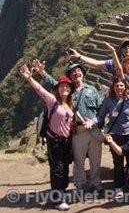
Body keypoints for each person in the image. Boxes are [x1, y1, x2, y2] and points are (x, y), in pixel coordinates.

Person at [34, 59, 103, 192]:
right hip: (77, 130)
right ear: (70, 76)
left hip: (93, 129)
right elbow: (55, 83)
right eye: (73, 72)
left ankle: (96, 182)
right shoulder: (69, 91)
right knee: (78, 159)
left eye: (78, 70)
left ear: (83, 73)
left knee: (95, 159)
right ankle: (80, 184)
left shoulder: (92, 90)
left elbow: (100, 110)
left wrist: (94, 122)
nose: (76, 73)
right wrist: (42, 73)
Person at [20, 64, 74, 211]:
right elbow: (40, 90)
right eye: (62, 87)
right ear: (57, 89)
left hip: (66, 142)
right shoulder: (52, 101)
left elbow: (70, 123)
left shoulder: (70, 105)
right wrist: (30, 78)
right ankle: (57, 200)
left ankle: (60, 192)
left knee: (64, 169)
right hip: (54, 141)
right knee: (57, 169)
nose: (65, 89)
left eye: (67, 87)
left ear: (70, 90)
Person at [67, 40, 129, 111]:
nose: (127, 49)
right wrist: (79, 56)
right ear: (122, 51)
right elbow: (96, 63)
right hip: (122, 102)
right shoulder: (114, 63)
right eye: (124, 47)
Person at [97, 77, 129, 198]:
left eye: (121, 86)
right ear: (113, 88)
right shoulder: (108, 101)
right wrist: (96, 127)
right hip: (115, 136)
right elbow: (101, 116)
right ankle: (118, 186)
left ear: (125, 88)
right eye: (117, 86)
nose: (119, 88)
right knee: (118, 162)